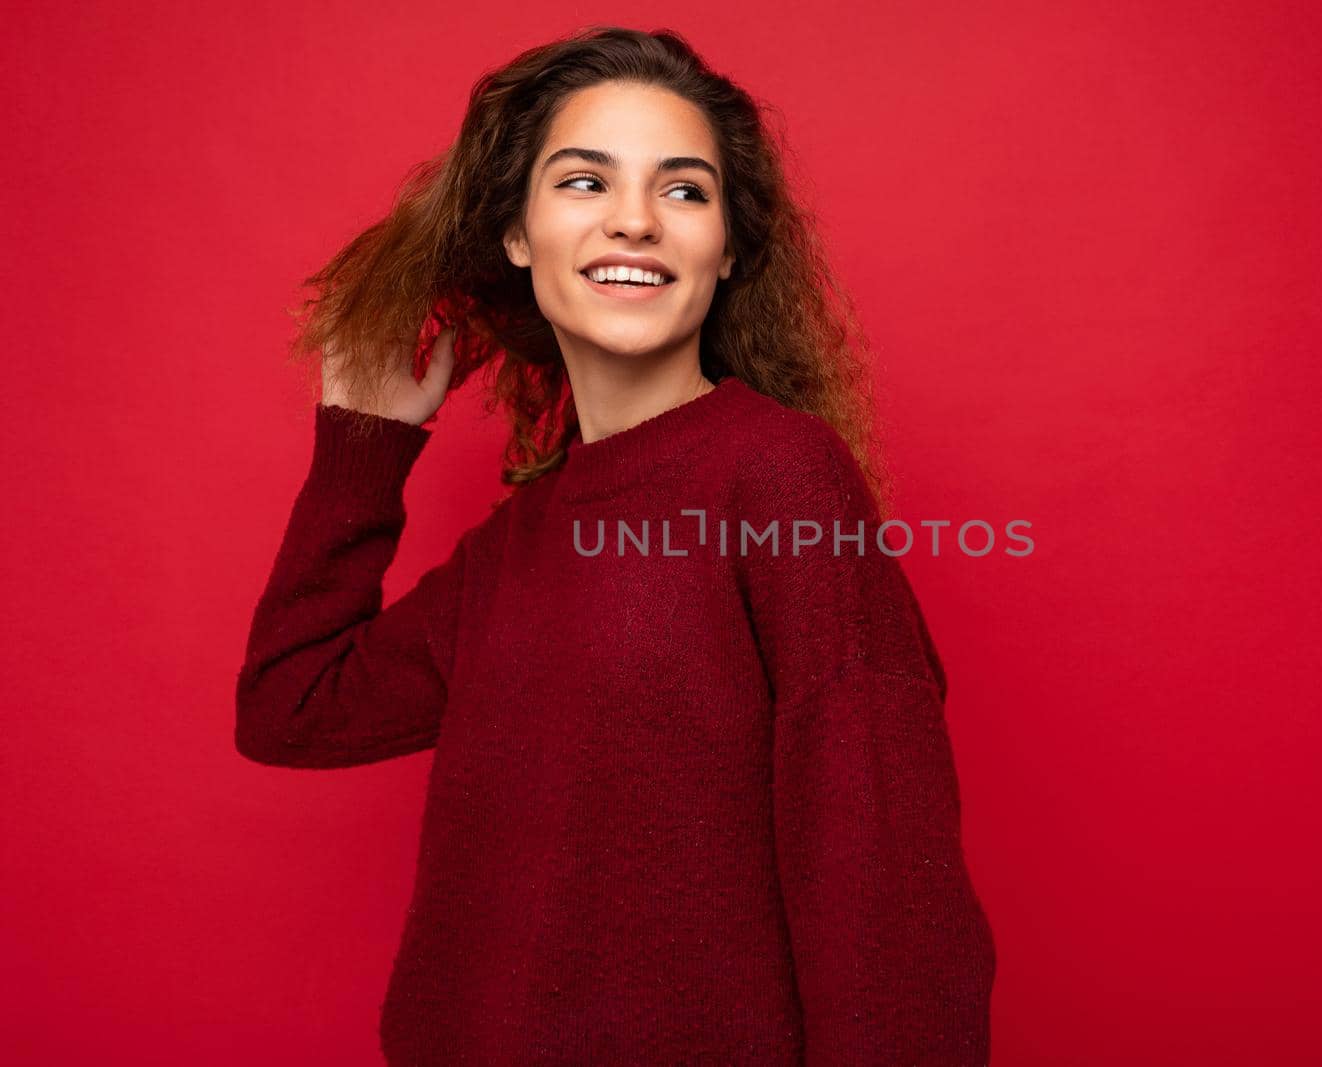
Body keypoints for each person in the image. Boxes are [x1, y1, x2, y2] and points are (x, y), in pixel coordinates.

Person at [235, 26, 996, 1065]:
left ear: (725, 249)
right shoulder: (522, 537)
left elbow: (885, 883)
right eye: (584, 181)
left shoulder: (775, 472)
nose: (634, 220)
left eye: (683, 191)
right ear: (516, 231)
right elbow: (293, 706)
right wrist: (365, 448)